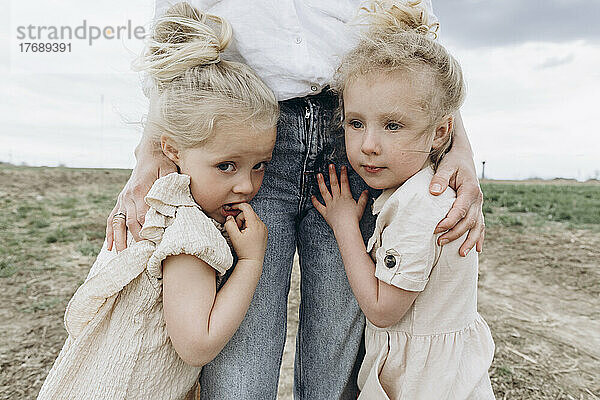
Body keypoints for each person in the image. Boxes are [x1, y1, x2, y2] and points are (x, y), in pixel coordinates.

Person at [106, 1, 486, 398]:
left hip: (354, 135)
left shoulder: (383, 152)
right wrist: (151, 148)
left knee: (337, 363)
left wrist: (458, 143)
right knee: (240, 362)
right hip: (250, 137)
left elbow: (416, 31)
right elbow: (174, 22)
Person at [37, 4, 279, 399]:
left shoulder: (154, 209)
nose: (246, 186)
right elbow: (196, 344)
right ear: (171, 149)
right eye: (227, 165)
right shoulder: (190, 233)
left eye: (260, 166)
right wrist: (252, 262)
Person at [312, 2, 495, 398]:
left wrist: (345, 225)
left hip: (424, 383)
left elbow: (382, 310)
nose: (368, 146)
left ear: (440, 132)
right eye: (355, 123)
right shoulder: (411, 192)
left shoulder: (418, 205)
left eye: (393, 126)